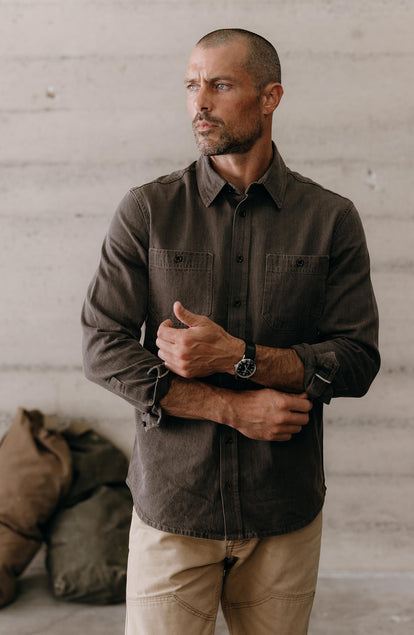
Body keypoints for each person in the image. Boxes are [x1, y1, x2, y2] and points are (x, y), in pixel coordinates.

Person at [81, 28, 380, 635]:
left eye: (219, 85)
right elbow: (101, 345)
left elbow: (356, 360)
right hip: (174, 508)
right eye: (192, 86)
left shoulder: (330, 220)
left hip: (283, 514)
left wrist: (239, 357)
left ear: (269, 97)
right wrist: (230, 408)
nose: (200, 103)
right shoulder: (147, 210)